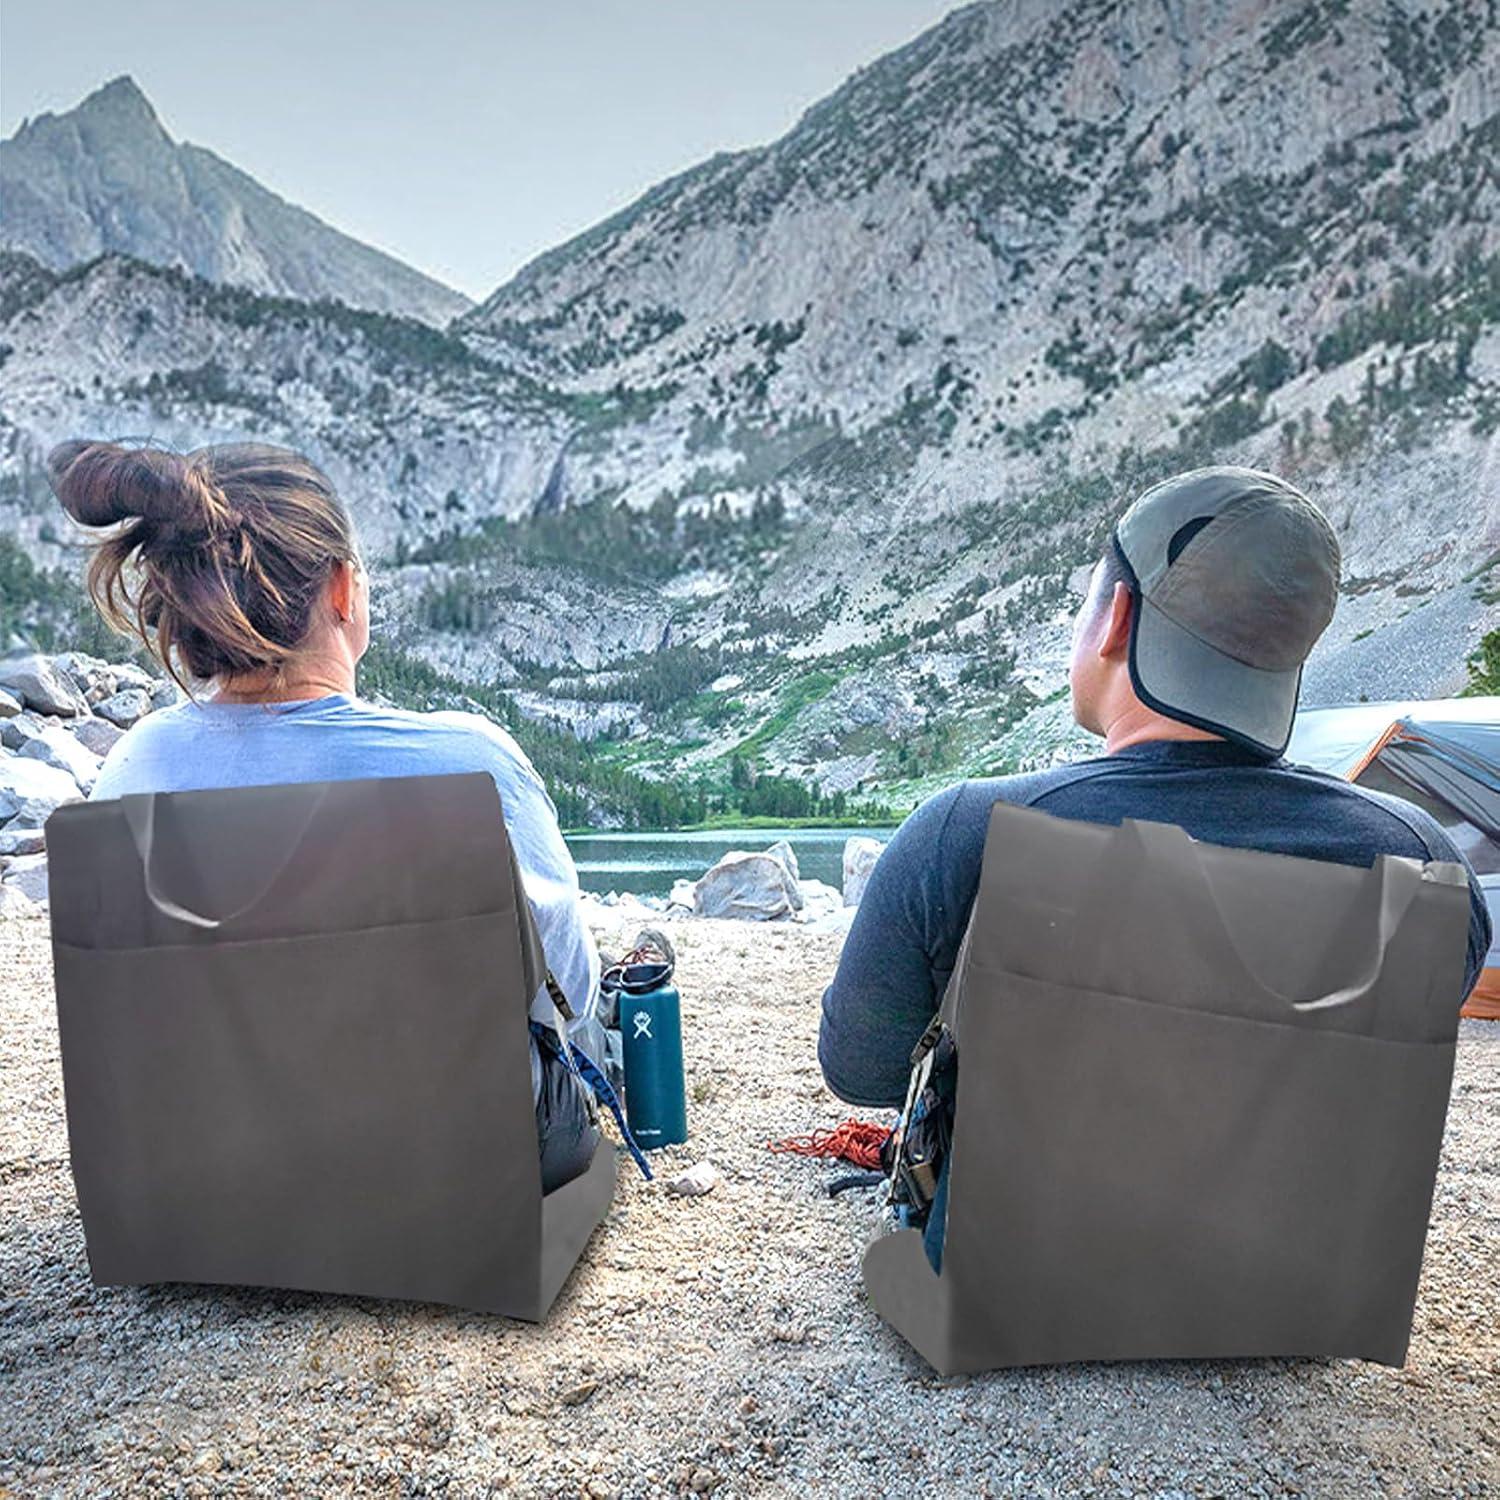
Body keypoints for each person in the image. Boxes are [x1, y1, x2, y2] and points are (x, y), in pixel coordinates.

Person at [819, 465, 1493, 1269]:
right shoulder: (1419, 856)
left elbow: (860, 1069)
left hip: (1015, 1283)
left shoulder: (965, 831)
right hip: (1287, 1293)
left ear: (1116, 618)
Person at [47, 437, 602, 1193]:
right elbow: (564, 987)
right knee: (597, 1020)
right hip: (451, 1170)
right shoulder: (468, 760)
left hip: (204, 1178)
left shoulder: (134, 767)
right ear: (342, 589)